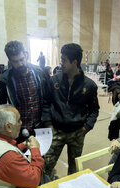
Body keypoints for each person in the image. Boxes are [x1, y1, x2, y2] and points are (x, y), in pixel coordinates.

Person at [42, 43, 100, 178]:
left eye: (64, 60)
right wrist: (49, 125)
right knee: (45, 167)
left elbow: (94, 110)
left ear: (74, 62)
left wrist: (86, 128)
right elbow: (46, 103)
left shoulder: (89, 86)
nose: (61, 63)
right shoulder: (54, 81)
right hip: (56, 131)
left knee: (74, 171)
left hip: (77, 133)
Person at [0, 105, 45, 188]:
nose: (21, 123)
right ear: (8, 127)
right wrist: (35, 149)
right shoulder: (8, 157)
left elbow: (6, 148)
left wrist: (23, 145)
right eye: (18, 120)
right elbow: (34, 180)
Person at [0, 41, 49, 142]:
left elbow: (47, 99)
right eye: (15, 61)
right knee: (20, 156)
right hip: (19, 130)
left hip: (40, 126)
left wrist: (48, 121)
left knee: (40, 156)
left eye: (22, 59)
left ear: (26, 55)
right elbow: (1, 104)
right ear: (10, 61)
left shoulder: (39, 73)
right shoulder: (6, 79)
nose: (20, 64)